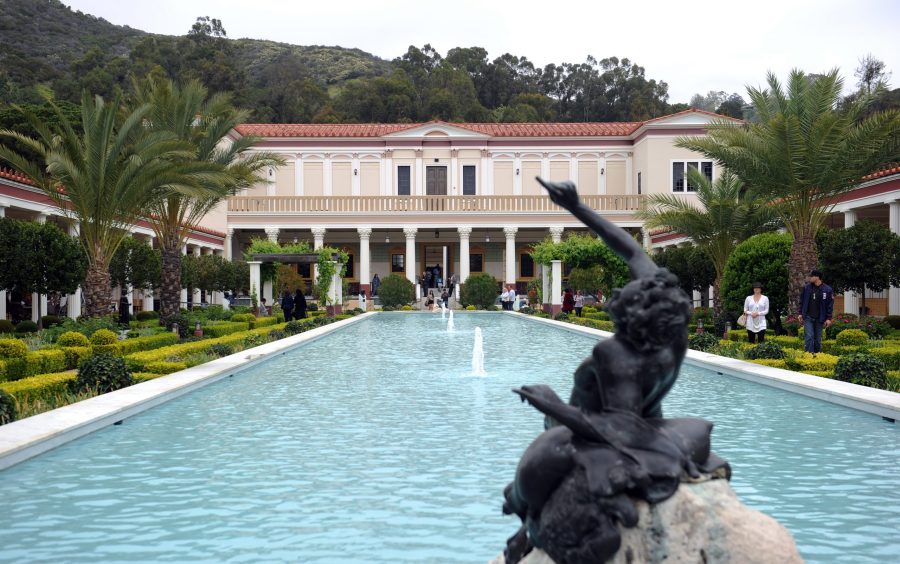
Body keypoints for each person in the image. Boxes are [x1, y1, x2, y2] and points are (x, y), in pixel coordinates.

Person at [800, 269, 834, 354]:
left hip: (820, 318)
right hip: (808, 317)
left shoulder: (828, 290)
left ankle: (817, 356)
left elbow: (830, 305)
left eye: (812, 276)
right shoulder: (806, 288)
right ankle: (808, 356)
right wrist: (800, 313)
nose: (810, 278)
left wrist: (828, 318)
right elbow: (802, 301)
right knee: (809, 337)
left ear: (817, 277)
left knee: (817, 340)